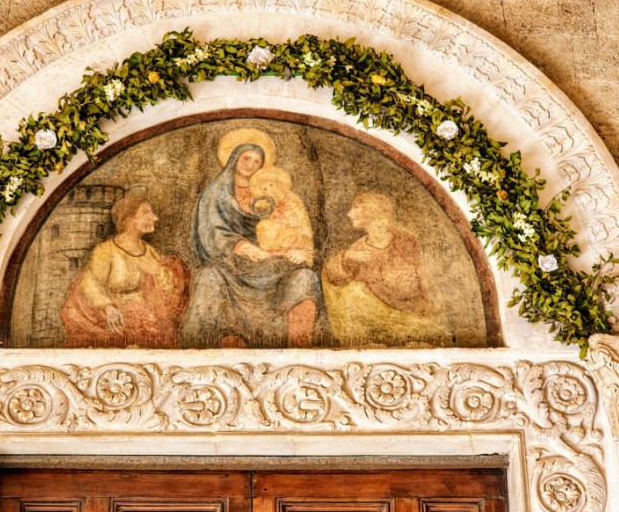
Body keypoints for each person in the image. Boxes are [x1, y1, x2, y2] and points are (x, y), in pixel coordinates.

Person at [180, 128, 322, 348]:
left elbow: (296, 229)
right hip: (232, 268)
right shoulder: (217, 192)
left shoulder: (275, 192)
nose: (250, 165)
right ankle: (207, 348)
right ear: (234, 157)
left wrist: (296, 248)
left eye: (257, 162)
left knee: (305, 278)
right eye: (246, 158)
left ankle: (299, 349)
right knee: (208, 277)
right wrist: (242, 246)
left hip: (273, 267)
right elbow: (212, 230)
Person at [61, 192, 188, 348]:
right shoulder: (106, 250)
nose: (155, 218)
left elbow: (169, 291)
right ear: (130, 220)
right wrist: (108, 307)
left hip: (146, 317)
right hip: (113, 317)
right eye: (146, 213)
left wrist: (159, 271)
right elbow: (90, 282)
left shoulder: (149, 251)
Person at [323, 192, 447, 347]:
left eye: (355, 207)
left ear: (372, 211)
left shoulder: (403, 240)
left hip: (407, 309)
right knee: (348, 290)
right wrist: (347, 256)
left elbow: (413, 280)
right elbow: (334, 279)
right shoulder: (360, 247)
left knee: (356, 292)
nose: (349, 214)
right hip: (376, 311)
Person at [248, 165, 314, 266]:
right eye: (265, 189)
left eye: (271, 185)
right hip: (275, 245)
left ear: (278, 184)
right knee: (263, 225)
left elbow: (303, 224)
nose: (269, 190)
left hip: (294, 245)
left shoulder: (292, 200)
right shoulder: (270, 204)